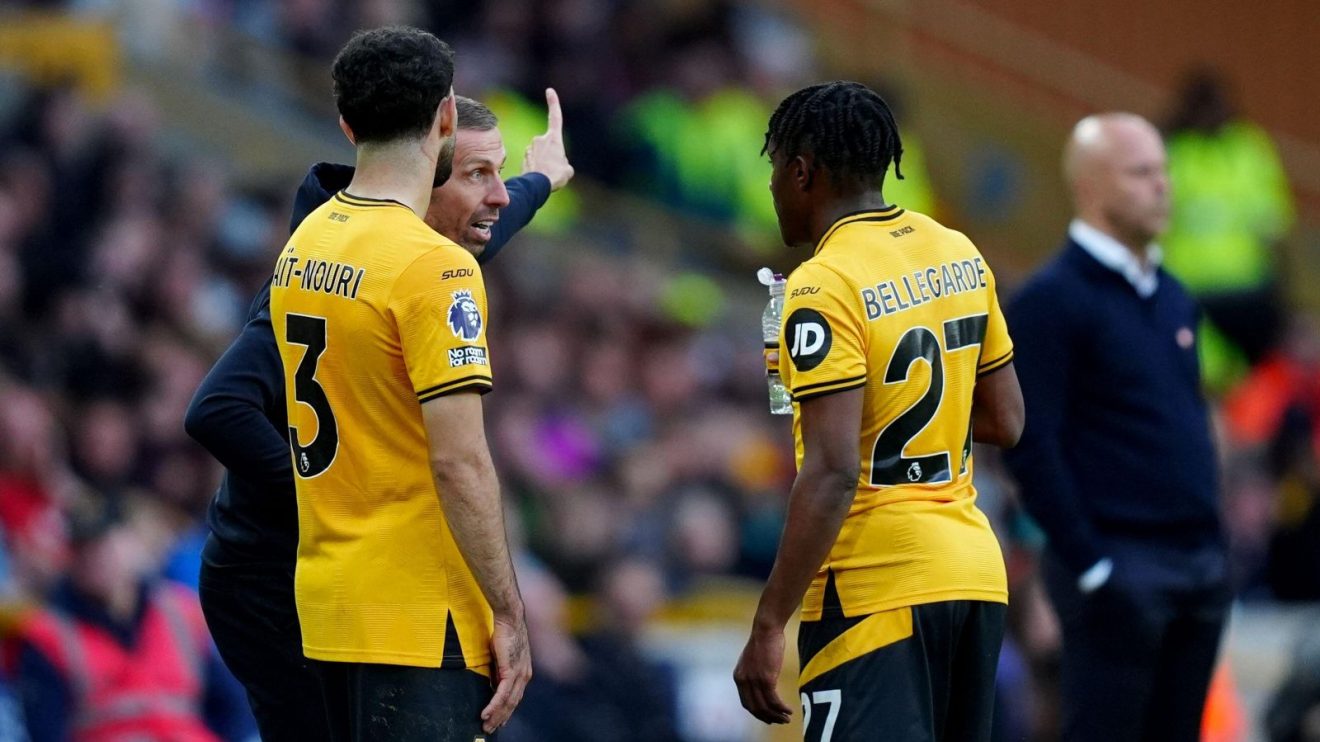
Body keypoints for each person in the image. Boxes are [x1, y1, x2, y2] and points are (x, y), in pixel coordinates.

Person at [186, 76, 572, 742]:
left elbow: (481, 229)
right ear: (426, 173)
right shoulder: (323, 272)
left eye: (499, 174)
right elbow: (217, 407)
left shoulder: (408, 252)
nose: (495, 196)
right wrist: (328, 492)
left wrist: (543, 180)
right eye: (475, 173)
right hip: (268, 570)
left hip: (338, 568)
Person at [732, 81, 1024, 741]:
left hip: (875, 588)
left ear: (802, 172)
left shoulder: (824, 281)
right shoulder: (958, 251)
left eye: (775, 168)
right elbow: (1008, 420)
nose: (774, 185)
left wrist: (769, 623)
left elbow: (833, 472)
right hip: (974, 577)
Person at [269, 27, 529, 739]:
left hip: (326, 608)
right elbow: (460, 461)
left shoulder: (308, 241)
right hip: (419, 619)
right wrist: (509, 610)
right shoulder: (434, 267)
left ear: (348, 124)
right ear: (447, 118)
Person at [1003, 113, 1230, 742]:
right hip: (1117, 564)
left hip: (1197, 567)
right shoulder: (1051, 299)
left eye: (1164, 171)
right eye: (1142, 172)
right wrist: (1092, 564)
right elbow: (1029, 442)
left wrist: (1215, 547)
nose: (1163, 186)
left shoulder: (1175, 296)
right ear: (1092, 186)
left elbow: (1187, 422)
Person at [11, 496, 252, 742]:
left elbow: (232, 706)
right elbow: (45, 730)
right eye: (83, 550)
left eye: (104, 545)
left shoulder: (178, 612)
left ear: (129, 543)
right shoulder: (49, 634)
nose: (96, 559)